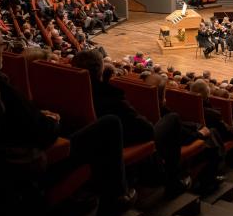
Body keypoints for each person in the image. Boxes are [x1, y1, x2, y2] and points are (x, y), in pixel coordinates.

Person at [0, 22, 134, 216]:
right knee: (110, 124)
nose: (4, 50)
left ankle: (77, 196)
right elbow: (43, 133)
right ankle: (115, 199)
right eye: (2, 46)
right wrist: (53, 121)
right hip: (28, 172)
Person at [70, 49, 187, 197]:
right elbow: (146, 131)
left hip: (96, 143)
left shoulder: (70, 91)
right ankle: (173, 183)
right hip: (123, 141)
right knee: (173, 119)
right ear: (100, 70)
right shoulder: (110, 96)